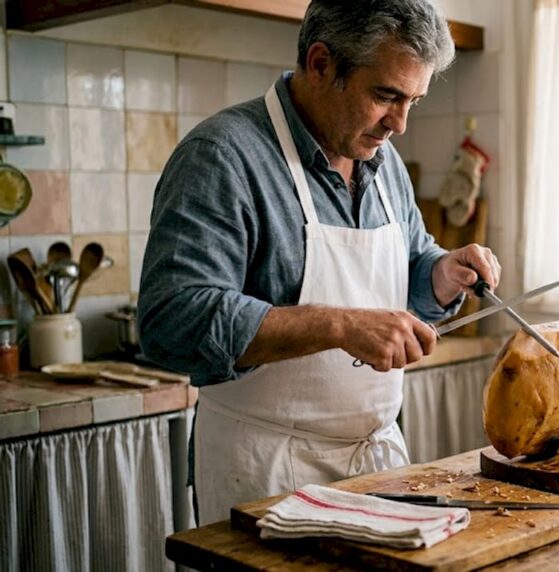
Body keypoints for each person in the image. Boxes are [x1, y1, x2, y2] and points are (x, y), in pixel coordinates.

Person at [138, 0, 501, 525]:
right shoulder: (223, 156)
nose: (399, 124)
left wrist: (440, 276)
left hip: (378, 465)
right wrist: (338, 325)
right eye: (385, 96)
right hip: (265, 472)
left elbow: (411, 268)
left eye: (413, 102)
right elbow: (171, 319)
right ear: (321, 64)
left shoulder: (382, 159)